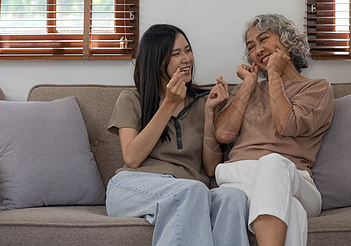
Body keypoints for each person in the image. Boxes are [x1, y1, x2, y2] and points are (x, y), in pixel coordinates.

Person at [105, 24, 249, 246]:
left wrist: (210, 113)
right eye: (176, 54)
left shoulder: (203, 101)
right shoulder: (132, 100)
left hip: (192, 191)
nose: (186, 59)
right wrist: (169, 104)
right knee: (192, 191)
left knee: (233, 197)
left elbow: (210, 169)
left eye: (188, 50)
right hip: (134, 187)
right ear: (156, 60)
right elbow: (132, 158)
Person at [214, 14, 335, 246]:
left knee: (272, 163)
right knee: (294, 211)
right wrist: (247, 88)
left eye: (263, 40)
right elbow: (223, 134)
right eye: (251, 47)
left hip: (294, 180)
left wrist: (274, 75)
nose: (258, 50)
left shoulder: (316, 88)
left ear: (287, 40)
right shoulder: (247, 90)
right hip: (240, 177)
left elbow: (286, 124)